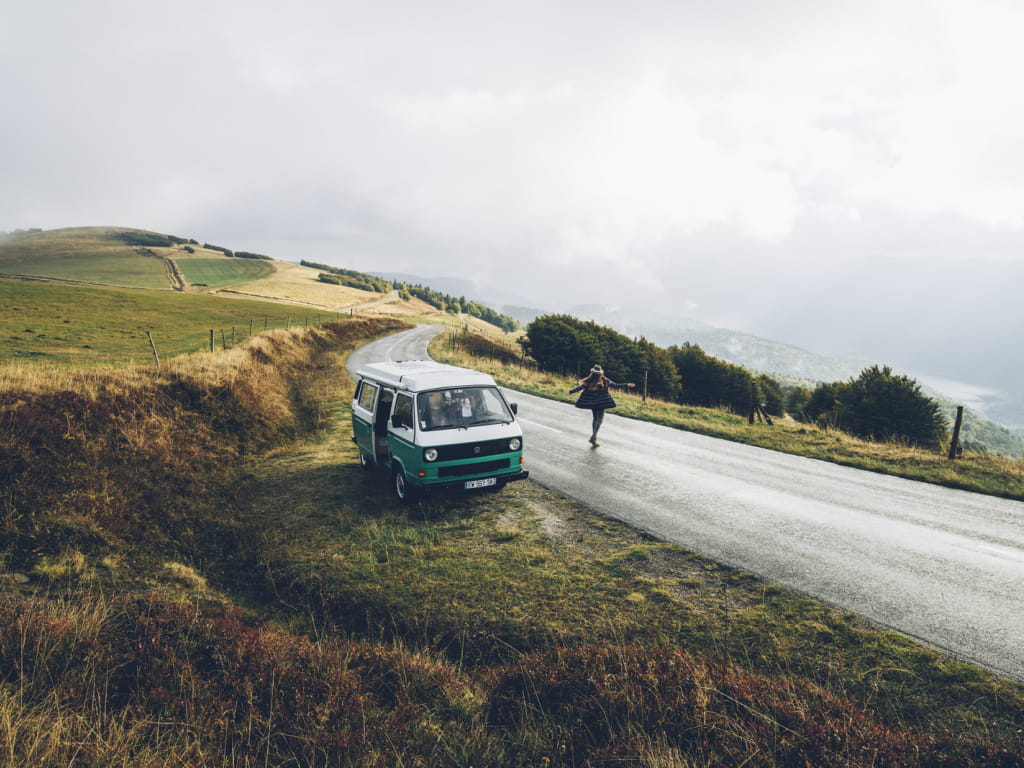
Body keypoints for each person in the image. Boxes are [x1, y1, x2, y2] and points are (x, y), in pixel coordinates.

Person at [568, 365, 635, 446]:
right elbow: (616, 385)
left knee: (595, 419)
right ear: (601, 373)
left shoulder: (589, 381)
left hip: (592, 403)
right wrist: (627, 384)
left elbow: (579, 388)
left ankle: (594, 438)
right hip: (601, 404)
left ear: (592, 373)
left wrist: (570, 392)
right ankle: (593, 437)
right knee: (599, 421)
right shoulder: (605, 380)